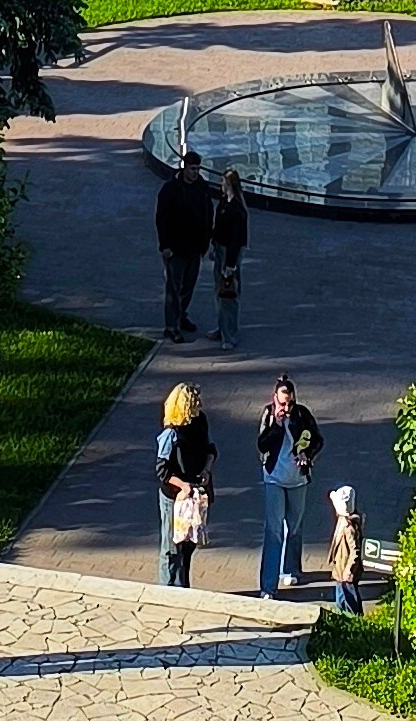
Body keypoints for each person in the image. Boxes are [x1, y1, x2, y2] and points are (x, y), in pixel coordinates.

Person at [255, 372, 322, 596]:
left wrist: (308, 455)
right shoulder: (268, 414)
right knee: (274, 531)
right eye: (283, 402)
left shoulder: (302, 414)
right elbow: (262, 445)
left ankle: (291, 569)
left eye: (290, 402)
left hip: (298, 479)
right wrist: (277, 424)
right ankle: (268, 586)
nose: (287, 406)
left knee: (294, 526)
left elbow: (318, 439)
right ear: (275, 397)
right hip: (273, 477)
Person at [155, 383, 215, 587]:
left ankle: (183, 587)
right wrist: (182, 485)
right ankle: (168, 587)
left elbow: (210, 449)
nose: (198, 406)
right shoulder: (170, 434)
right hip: (174, 498)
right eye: (193, 403)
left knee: (189, 543)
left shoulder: (200, 422)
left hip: (195, 495)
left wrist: (206, 470)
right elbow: (162, 470)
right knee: (172, 546)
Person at [156, 149, 214, 339]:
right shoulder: (170, 190)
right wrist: (165, 245)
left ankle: (181, 316)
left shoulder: (202, 188)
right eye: (192, 169)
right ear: (184, 168)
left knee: (188, 286)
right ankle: (171, 326)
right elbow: (161, 219)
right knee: (173, 287)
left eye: (197, 169)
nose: (195, 173)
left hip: (195, 247)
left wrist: (206, 241)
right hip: (175, 248)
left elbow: (208, 214)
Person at [210, 167, 248, 352]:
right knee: (220, 293)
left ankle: (230, 335)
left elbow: (237, 240)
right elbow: (218, 226)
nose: (220, 185)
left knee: (229, 294)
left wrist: (230, 265)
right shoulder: (225, 202)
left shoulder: (237, 209)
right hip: (220, 249)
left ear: (230, 185)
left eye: (223, 183)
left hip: (229, 254)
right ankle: (222, 328)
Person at [328, 485, 365, 618]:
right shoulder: (343, 521)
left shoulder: (349, 527)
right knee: (342, 595)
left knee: (348, 598)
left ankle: (352, 620)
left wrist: (349, 569)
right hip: (340, 569)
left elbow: (355, 550)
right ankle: (344, 618)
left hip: (346, 571)